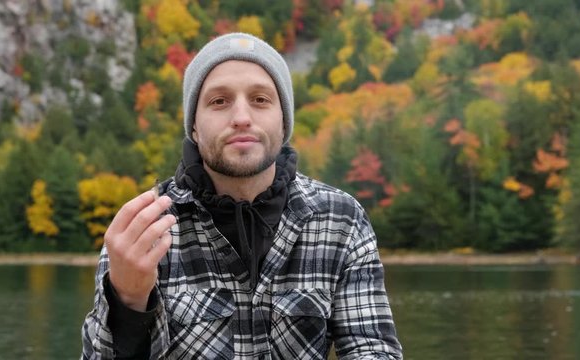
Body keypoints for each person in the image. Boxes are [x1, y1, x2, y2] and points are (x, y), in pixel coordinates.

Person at [81, 32, 402, 360]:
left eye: (260, 99)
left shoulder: (341, 219)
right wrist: (128, 303)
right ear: (193, 126)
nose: (241, 118)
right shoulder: (143, 228)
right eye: (219, 101)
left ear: (283, 121)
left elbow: (372, 350)